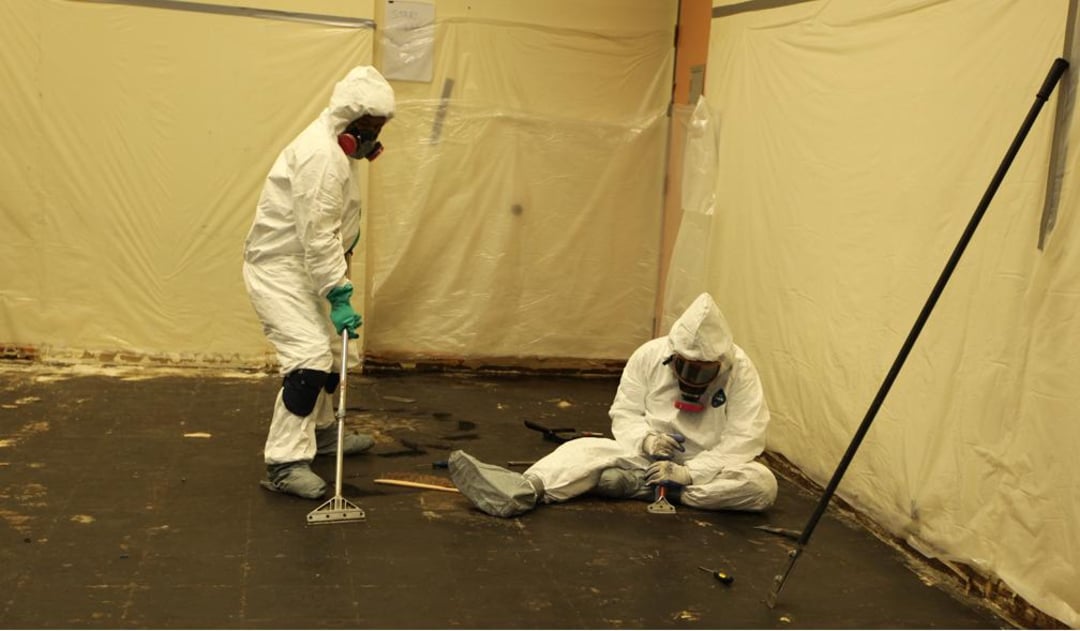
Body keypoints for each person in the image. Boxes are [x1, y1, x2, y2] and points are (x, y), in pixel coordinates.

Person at [448, 292, 777, 517]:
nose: (690, 378)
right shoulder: (649, 355)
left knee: (762, 486)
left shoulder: (741, 371)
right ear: (672, 356)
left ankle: (654, 490)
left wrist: (690, 473)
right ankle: (523, 489)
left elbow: (743, 439)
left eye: (701, 371)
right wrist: (646, 439)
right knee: (585, 449)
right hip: (645, 455)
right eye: (683, 368)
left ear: (720, 362)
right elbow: (625, 413)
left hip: (706, 466)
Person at [242, 66, 395, 499]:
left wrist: (334, 283)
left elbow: (333, 229)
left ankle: (324, 434)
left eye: (377, 130)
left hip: (305, 268)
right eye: (368, 129)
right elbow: (319, 235)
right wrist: (339, 293)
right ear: (348, 122)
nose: (371, 140)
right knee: (309, 359)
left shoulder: (339, 151)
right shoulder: (321, 157)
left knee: (331, 352)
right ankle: (285, 463)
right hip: (279, 272)